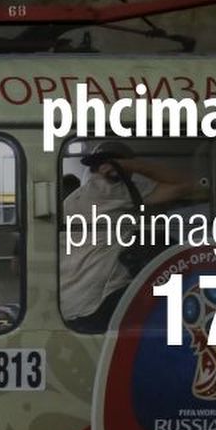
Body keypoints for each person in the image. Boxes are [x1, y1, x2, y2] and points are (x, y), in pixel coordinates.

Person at [59, 141, 200, 332]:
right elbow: (186, 185)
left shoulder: (72, 200)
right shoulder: (115, 189)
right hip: (98, 302)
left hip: (69, 306)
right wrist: (134, 166)